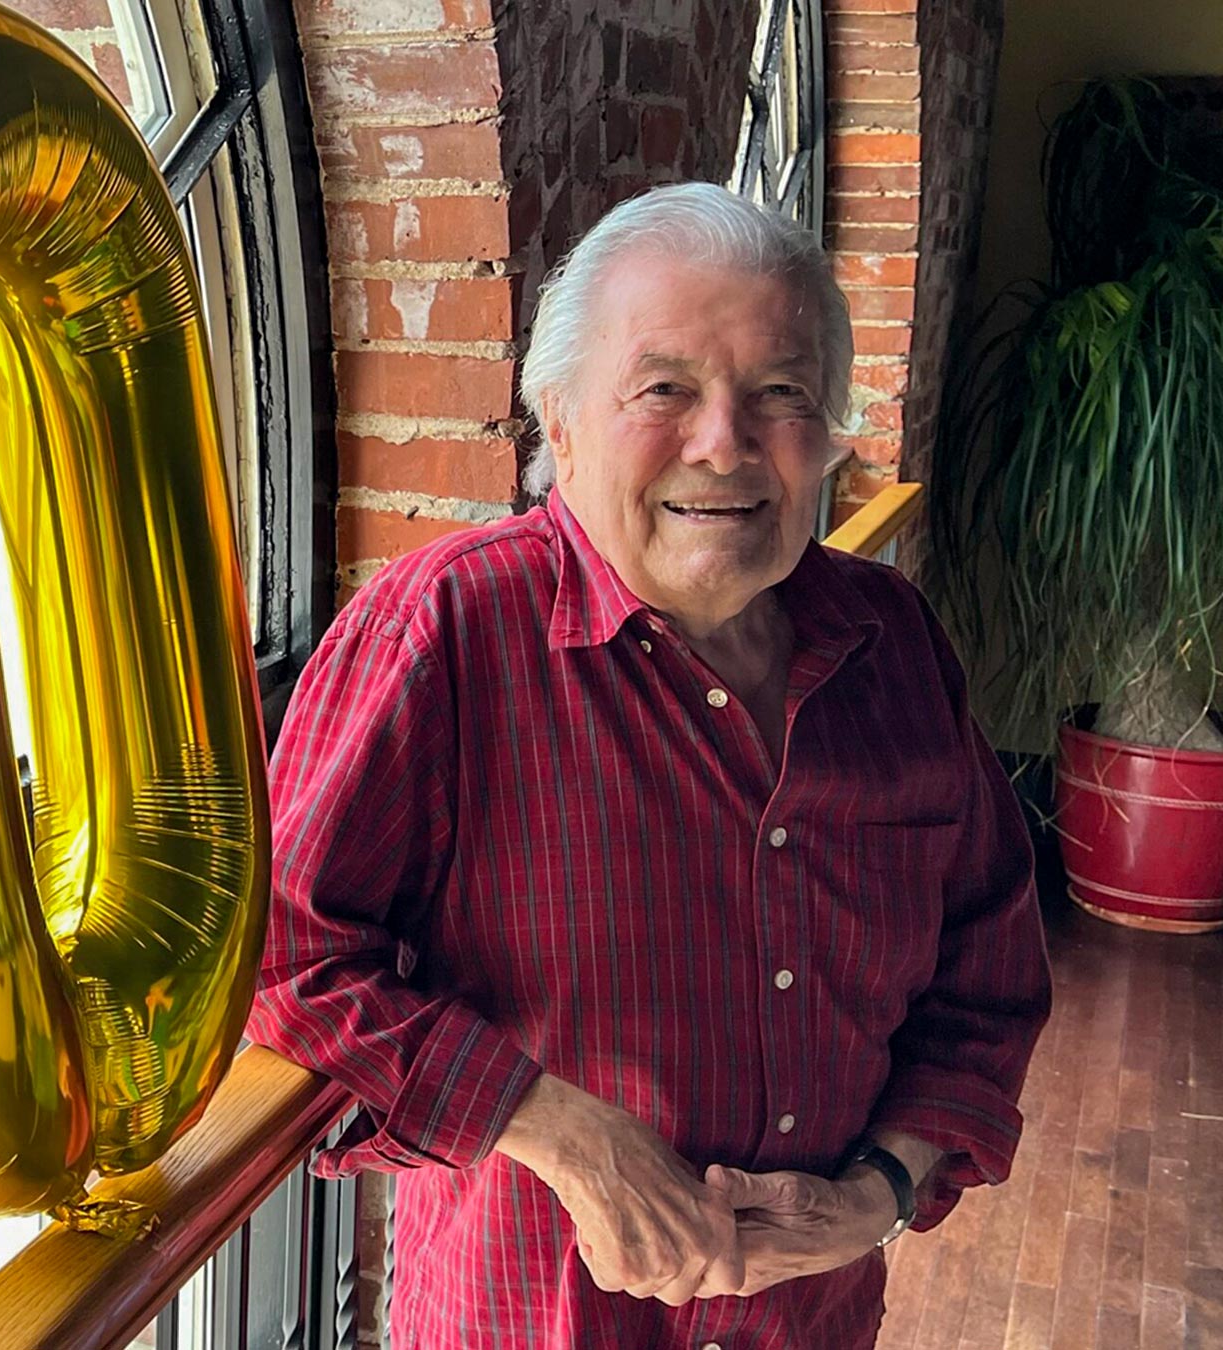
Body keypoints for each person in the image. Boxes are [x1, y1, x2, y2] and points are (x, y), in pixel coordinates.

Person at [247, 182, 1051, 1348]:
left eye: (778, 394)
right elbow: (278, 957)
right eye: (663, 389)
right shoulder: (446, 631)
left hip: (812, 1324)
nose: (723, 442)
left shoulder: (896, 644)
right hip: (527, 1322)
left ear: (826, 433)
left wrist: (872, 1201)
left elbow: (987, 971)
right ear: (559, 423)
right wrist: (558, 1128)